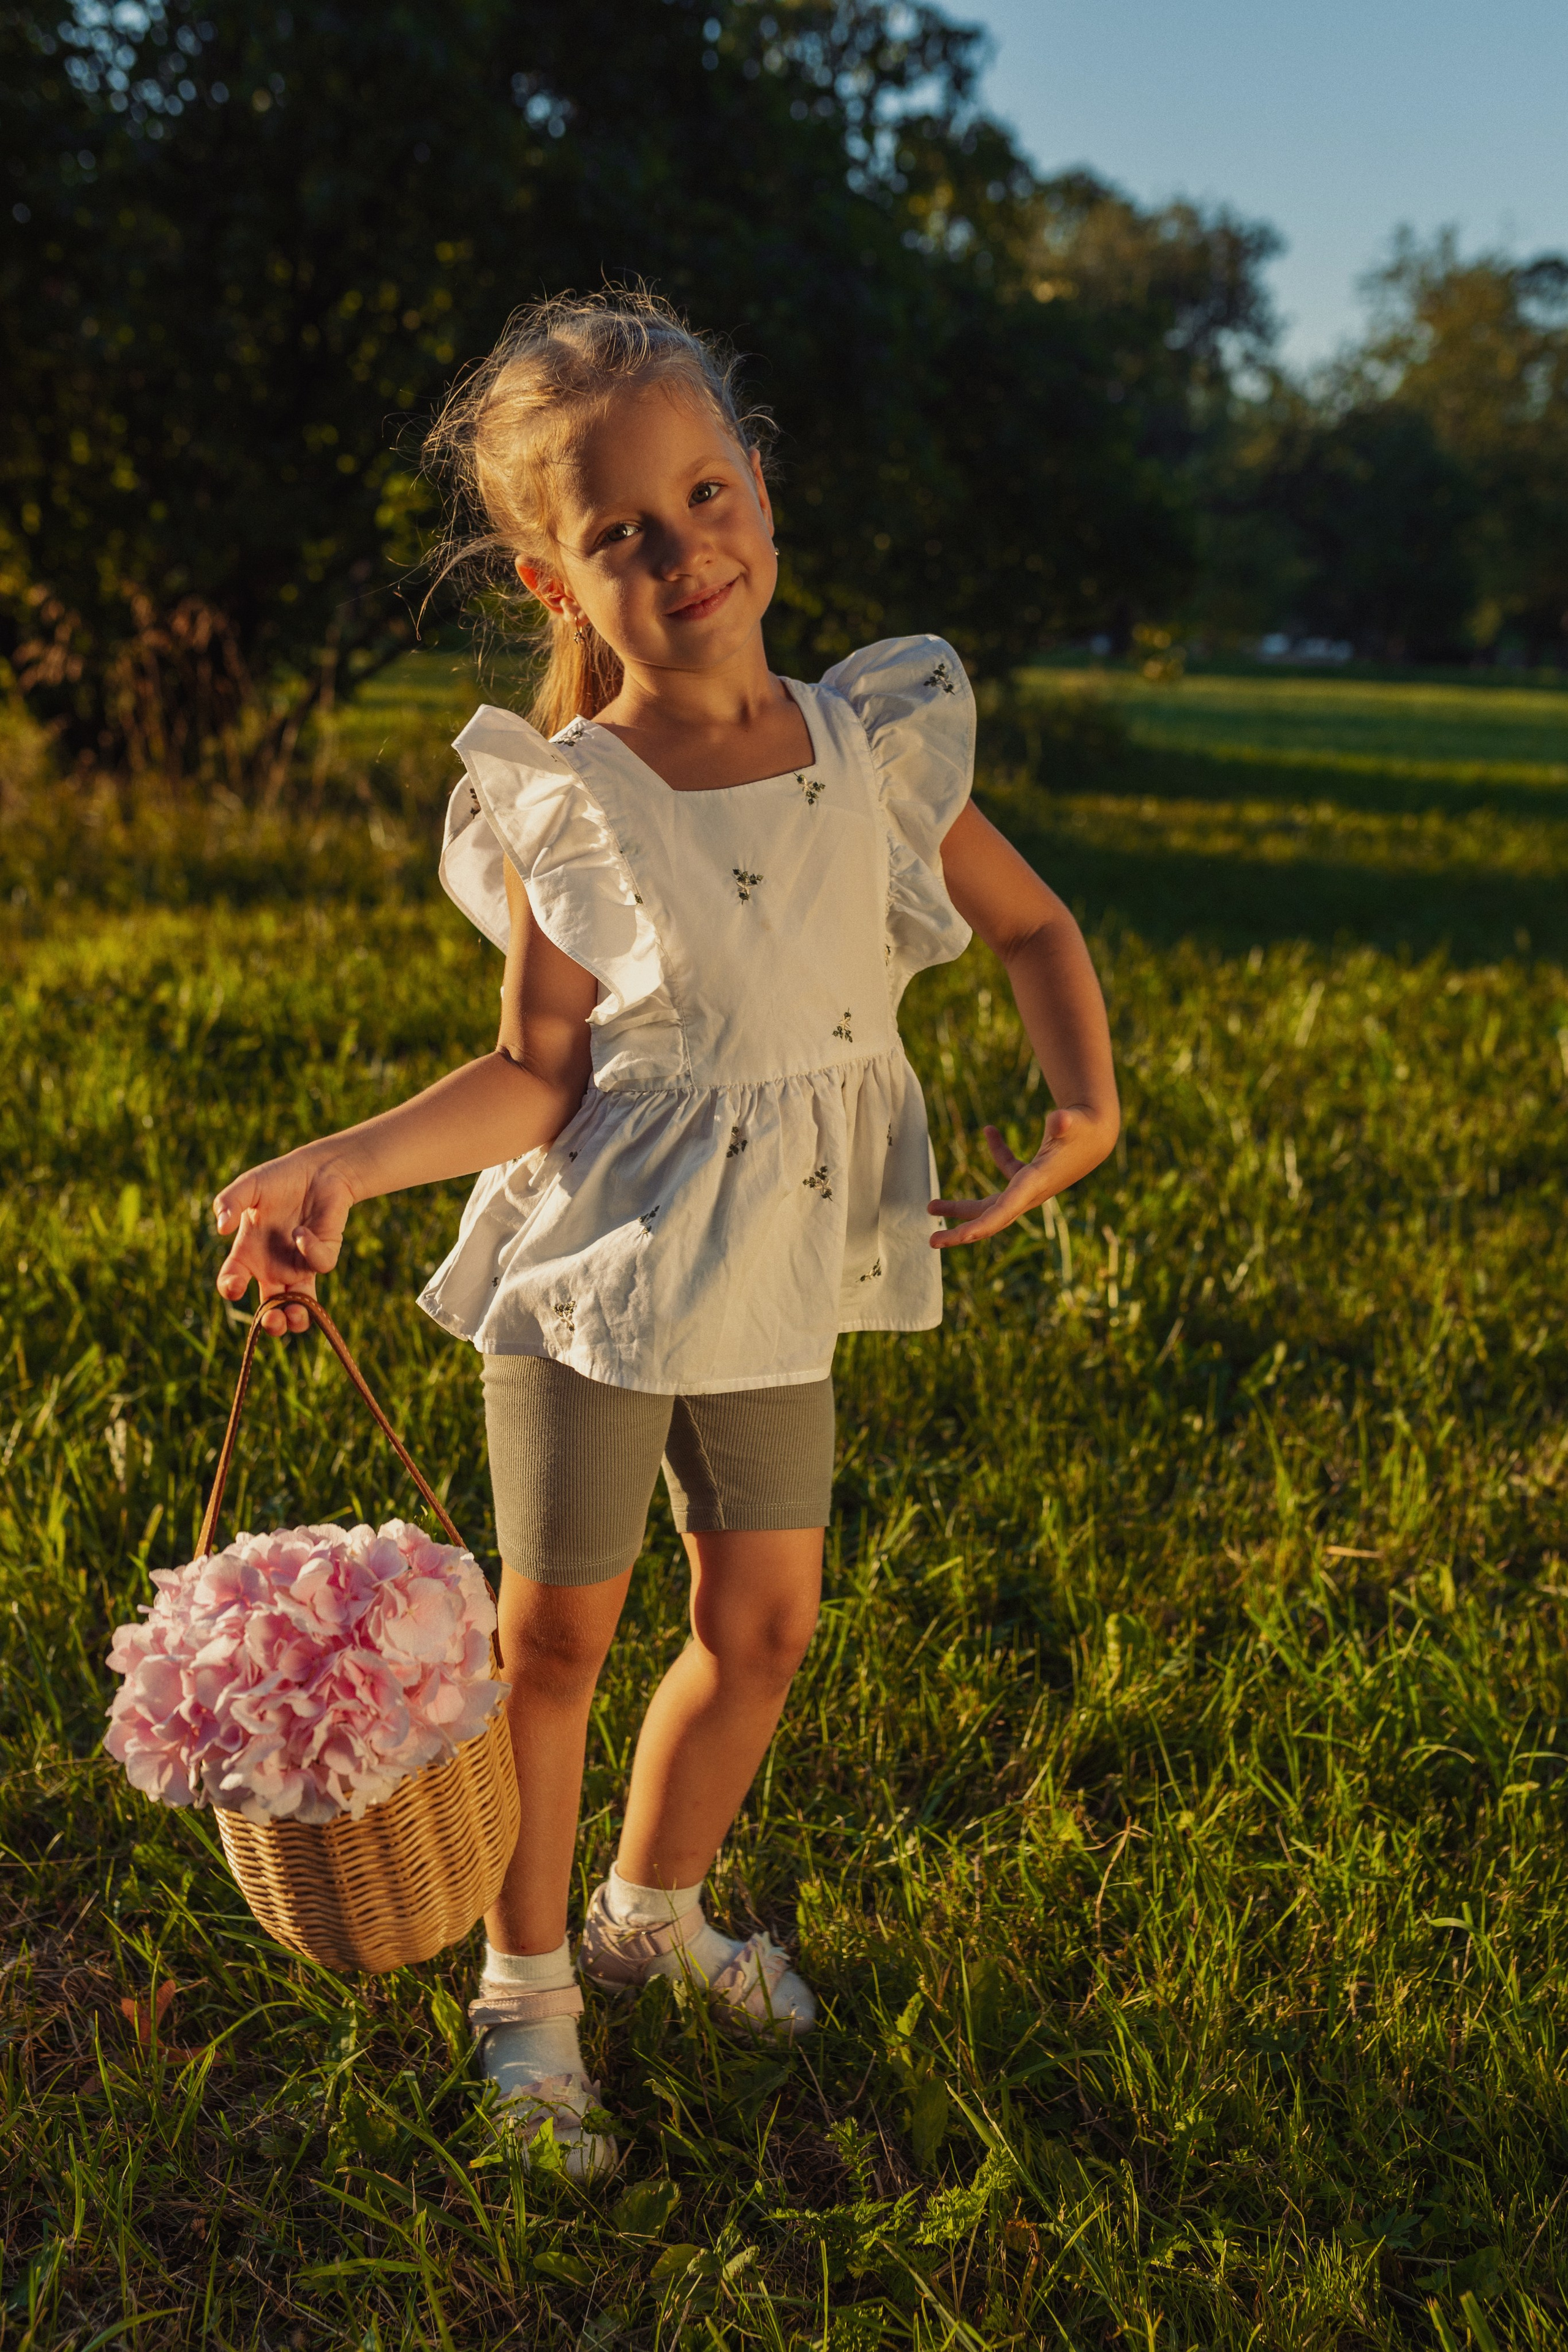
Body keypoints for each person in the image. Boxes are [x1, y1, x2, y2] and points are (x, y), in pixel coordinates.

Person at [212, 289, 1119, 2176]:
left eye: (708, 494)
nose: (685, 548)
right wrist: (345, 1164)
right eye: (623, 529)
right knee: (555, 1642)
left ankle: (650, 1909)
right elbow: (534, 1075)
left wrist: (1082, 1110)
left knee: (763, 1624)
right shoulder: (579, 802)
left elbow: (1035, 927)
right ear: (555, 583)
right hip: (596, 1282)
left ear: (762, 493)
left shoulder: (867, 750)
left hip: (776, 1268)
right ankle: (526, 1989)